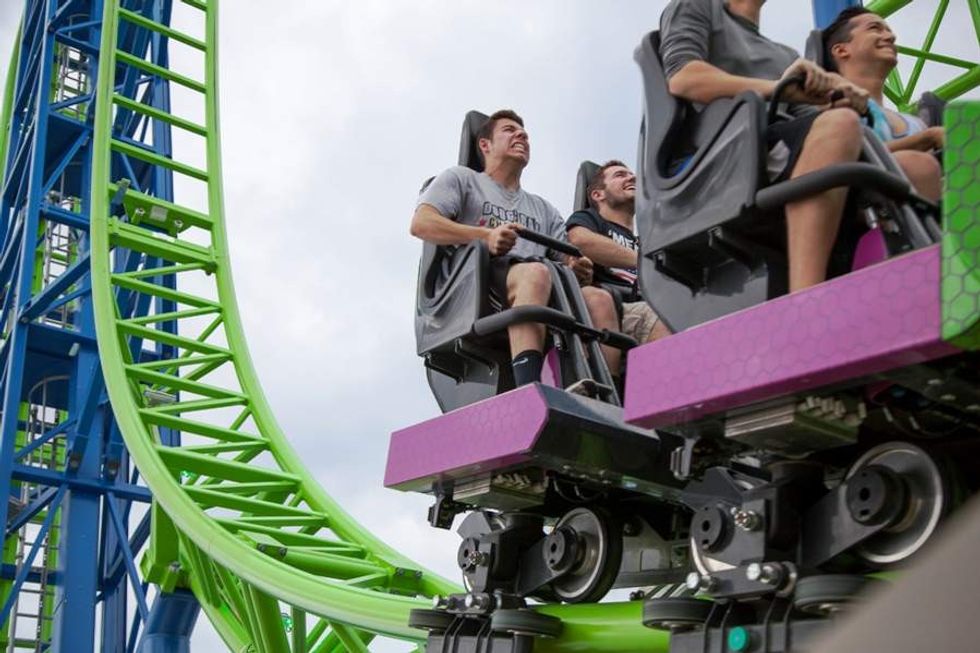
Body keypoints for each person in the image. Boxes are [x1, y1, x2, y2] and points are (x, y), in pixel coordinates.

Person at [660, 0, 871, 291]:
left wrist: (835, 99)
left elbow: (819, 123)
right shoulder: (697, 6)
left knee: (913, 163)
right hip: (729, 150)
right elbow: (685, 79)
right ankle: (806, 297)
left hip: (784, 143)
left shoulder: (785, 54)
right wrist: (778, 88)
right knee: (841, 125)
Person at [410, 110, 620, 387]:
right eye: (509, 130)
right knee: (534, 272)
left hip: (538, 282)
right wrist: (485, 236)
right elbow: (421, 223)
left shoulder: (543, 208)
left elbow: (566, 255)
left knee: (598, 298)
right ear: (485, 145)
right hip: (475, 284)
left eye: (524, 134)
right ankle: (528, 386)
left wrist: (576, 265)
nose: (521, 135)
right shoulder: (461, 179)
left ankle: (607, 394)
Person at [823, 6, 943, 202]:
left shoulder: (915, 124)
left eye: (889, 31)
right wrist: (928, 138)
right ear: (842, 49)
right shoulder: (831, 105)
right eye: (875, 28)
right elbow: (846, 158)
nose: (890, 36)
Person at [567, 161, 671, 344]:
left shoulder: (647, 242)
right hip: (615, 308)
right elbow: (580, 241)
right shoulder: (590, 219)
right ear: (598, 194)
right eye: (620, 175)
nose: (632, 177)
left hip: (651, 303)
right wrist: (642, 261)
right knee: (665, 316)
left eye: (631, 174)